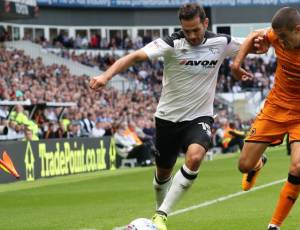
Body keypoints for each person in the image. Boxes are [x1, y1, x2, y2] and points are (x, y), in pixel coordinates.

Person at [89, 3, 242, 230]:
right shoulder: (170, 44)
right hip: (167, 119)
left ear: (206, 23)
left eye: (196, 30)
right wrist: (106, 76)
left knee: (195, 157)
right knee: (163, 174)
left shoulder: (221, 42)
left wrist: (238, 64)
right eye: (186, 30)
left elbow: (254, 42)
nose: (191, 35)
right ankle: (160, 217)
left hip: (200, 117)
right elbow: (134, 57)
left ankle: (161, 214)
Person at [231, 7, 300, 230]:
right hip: (275, 108)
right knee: (243, 165)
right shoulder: (277, 35)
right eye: (278, 38)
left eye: (285, 38)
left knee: (298, 167)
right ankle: (257, 165)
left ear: (298, 29)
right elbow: (251, 36)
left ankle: (274, 225)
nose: (281, 43)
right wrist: (236, 64)